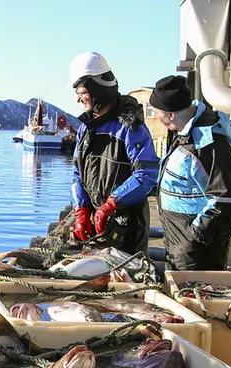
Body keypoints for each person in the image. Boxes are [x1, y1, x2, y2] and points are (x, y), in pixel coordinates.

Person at [68, 52, 160, 255]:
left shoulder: (130, 127)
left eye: (83, 93)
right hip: (96, 225)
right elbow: (77, 173)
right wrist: (81, 209)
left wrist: (111, 204)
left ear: (96, 90)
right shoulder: (86, 128)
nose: (78, 99)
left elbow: (146, 175)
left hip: (127, 225)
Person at [149, 75, 231, 270]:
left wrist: (194, 237)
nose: (156, 116)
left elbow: (226, 200)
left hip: (197, 254)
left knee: (194, 298)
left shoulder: (209, 144)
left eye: (156, 112)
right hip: (180, 245)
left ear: (170, 114)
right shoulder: (183, 134)